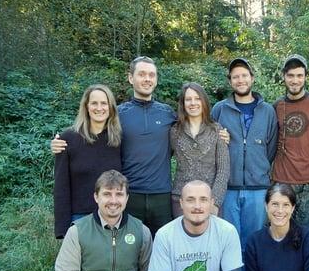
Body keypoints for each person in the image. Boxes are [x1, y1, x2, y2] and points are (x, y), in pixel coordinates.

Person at [52, 56, 177, 239]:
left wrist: (220, 133)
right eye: (141, 74)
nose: (147, 79)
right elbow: (91, 135)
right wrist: (60, 142)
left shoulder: (168, 113)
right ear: (130, 78)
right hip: (127, 196)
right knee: (128, 251)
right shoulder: (117, 114)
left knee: (163, 251)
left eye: (152, 75)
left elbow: (189, 134)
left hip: (162, 195)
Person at [211, 57, 278, 271]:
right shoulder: (220, 109)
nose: (240, 80)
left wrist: (257, 169)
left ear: (252, 77)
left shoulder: (267, 111)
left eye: (244, 75)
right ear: (230, 81)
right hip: (227, 188)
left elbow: (270, 149)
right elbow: (212, 143)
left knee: (252, 244)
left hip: (258, 188)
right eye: (235, 76)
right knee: (229, 244)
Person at [53, 84, 122, 239]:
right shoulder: (68, 139)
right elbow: (61, 188)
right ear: (86, 106)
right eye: (94, 103)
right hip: (79, 219)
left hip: (113, 216)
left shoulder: (119, 140)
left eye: (104, 103)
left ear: (110, 107)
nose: (99, 108)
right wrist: (62, 229)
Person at [271, 55, 309, 227]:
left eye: (299, 75)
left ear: (306, 77)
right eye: (290, 76)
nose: (295, 80)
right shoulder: (277, 106)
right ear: (284, 76)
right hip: (282, 180)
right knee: (281, 231)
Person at [170, 82, 229, 217]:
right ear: (183, 103)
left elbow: (223, 170)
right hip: (181, 199)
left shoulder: (217, 130)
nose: (193, 103)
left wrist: (215, 202)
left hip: (209, 199)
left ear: (204, 102)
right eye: (188, 99)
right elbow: (162, 160)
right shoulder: (174, 131)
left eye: (197, 98)